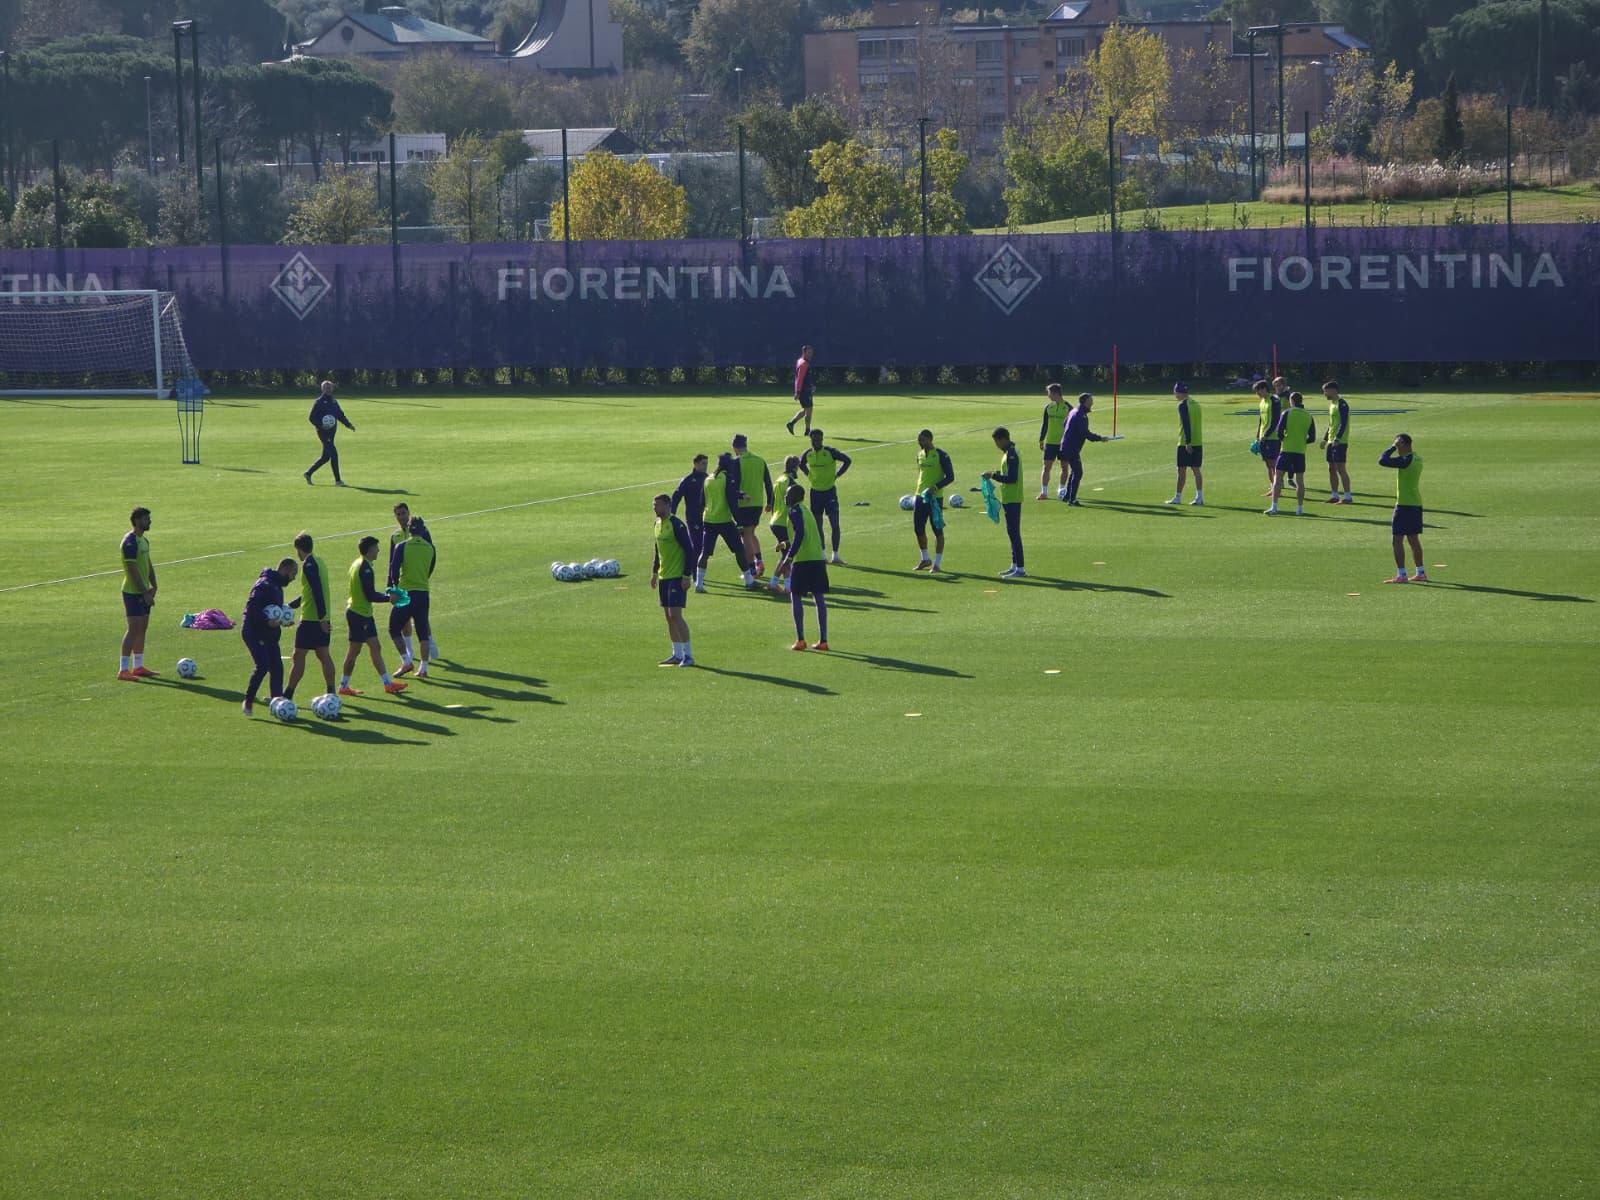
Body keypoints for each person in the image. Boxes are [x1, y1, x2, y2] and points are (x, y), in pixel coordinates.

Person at [339, 536, 406, 695]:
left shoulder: (358, 563)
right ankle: (343, 686)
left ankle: (387, 684)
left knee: (375, 647)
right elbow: (370, 595)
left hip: (363, 614)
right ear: (369, 549)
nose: (378, 550)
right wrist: (389, 598)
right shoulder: (365, 568)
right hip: (358, 614)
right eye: (376, 547)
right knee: (354, 651)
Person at [241, 557, 297, 717]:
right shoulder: (264, 584)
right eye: (293, 574)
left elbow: (273, 610)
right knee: (263, 665)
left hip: (269, 634)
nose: (293, 578)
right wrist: (267, 621)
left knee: (277, 668)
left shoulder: (277, 585)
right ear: (285, 570)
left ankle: (276, 704)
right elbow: (252, 609)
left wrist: (282, 620)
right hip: (254, 632)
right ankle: (248, 701)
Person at [777, 484, 830, 650]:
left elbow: (799, 533)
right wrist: (786, 543)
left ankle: (800, 639)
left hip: (803, 560)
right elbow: (804, 535)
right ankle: (823, 641)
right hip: (817, 559)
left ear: (795, 497)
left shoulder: (794, 511)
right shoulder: (806, 511)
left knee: (795, 596)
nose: (785, 497)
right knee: (819, 597)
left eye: (788, 495)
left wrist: (789, 557)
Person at [285, 531, 335, 701]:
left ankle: (287, 695)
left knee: (298, 655)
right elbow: (308, 592)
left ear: (299, 549)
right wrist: (290, 605)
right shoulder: (319, 561)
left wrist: (321, 618)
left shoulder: (308, 564)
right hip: (321, 617)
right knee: (323, 655)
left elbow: (316, 590)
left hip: (311, 619)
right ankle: (331, 693)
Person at [388, 503, 440, 661]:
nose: (401, 517)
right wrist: (391, 587)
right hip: (403, 584)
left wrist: (424, 575)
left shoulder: (422, 531)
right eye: (398, 514)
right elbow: (392, 563)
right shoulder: (395, 536)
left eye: (403, 513)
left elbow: (431, 555)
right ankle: (410, 651)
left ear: (408, 513)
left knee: (420, 618)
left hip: (417, 581)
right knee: (404, 621)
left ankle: (430, 641)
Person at [695, 452, 754, 591]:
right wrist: (739, 522)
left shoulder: (709, 478)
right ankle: (749, 581)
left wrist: (741, 495)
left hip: (708, 520)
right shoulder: (727, 478)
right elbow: (731, 500)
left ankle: (699, 584)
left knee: (705, 553)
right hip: (724, 521)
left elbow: (702, 501)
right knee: (739, 550)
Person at [650, 494, 697, 666]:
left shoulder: (676, 525)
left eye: (658, 505)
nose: (655, 508)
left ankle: (688, 655)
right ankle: (676, 654)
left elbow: (689, 550)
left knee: (675, 616)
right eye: (654, 505)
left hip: (677, 577)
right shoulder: (657, 524)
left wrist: (686, 576)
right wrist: (654, 573)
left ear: (668, 506)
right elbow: (658, 551)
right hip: (664, 576)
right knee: (668, 618)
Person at [1380, 434, 1427, 583]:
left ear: (1404, 444)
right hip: (1415, 503)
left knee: (1397, 540)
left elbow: (1382, 460)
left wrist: (1392, 447)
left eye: (1398, 445)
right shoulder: (1417, 458)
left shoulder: (1407, 460)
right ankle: (1420, 572)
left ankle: (1402, 575)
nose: (1397, 449)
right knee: (1413, 540)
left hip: (1404, 505)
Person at [800, 428, 852, 565]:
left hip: (829, 492)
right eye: (814, 440)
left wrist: (837, 474)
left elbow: (847, 460)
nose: (816, 442)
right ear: (810, 440)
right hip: (815, 493)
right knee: (818, 525)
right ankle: (822, 554)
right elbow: (801, 464)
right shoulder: (808, 454)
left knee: (835, 524)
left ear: (822, 439)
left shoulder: (830, 452)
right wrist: (808, 475)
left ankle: (835, 555)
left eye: (819, 439)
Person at [118, 506, 158, 680]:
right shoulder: (130, 542)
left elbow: (148, 564)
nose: (149, 521)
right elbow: (132, 569)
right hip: (132, 592)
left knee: (142, 628)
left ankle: (138, 666)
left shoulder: (144, 540)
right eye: (146, 519)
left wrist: (154, 585)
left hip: (144, 591)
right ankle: (123, 670)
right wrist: (144, 593)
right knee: (133, 629)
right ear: (137, 521)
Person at [982, 427, 1026, 578]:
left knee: (1014, 533)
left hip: (1013, 498)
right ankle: (1014, 565)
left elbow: (1012, 478)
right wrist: (994, 474)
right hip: (1008, 498)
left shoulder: (1012, 454)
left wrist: (993, 476)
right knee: (1011, 533)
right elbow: (1007, 474)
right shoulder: (1009, 453)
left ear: (1003, 439)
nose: (996, 445)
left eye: (997, 441)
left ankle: (1020, 568)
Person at [1266, 391, 1317, 516]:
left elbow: (1279, 431)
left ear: (1291, 401)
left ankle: (1274, 507)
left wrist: (1285, 439)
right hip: (1300, 451)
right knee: (1300, 481)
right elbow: (1312, 438)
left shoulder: (1287, 413)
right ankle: (1299, 509)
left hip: (1286, 450)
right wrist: (1302, 441)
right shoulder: (1308, 415)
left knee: (1278, 478)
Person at [911, 429, 955, 572]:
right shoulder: (919, 455)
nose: (920, 442)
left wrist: (935, 487)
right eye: (919, 439)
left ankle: (937, 563)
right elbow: (921, 474)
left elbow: (950, 477)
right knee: (918, 528)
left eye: (922, 439)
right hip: (920, 496)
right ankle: (925, 559)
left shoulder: (941, 455)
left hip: (935, 498)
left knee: (937, 529)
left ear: (930, 439)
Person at [731, 434, 773, 578]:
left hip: (743, 504)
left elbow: (734, 485)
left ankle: (751, 570)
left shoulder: (737, 462)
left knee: (746, 536)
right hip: (758, 504)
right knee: (751, 533)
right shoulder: (760, 460)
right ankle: (759, 561)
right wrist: (770, 502)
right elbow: (768, 482)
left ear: (734, 448)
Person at [1058, 392, 1110, 506]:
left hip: (1067, 445)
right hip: (1071, 447)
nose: (1092, 403)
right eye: (1090, 401)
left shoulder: (1074, 411)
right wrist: (1100, 438)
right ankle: (1072, 500)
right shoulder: (1080, 414)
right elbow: (1085, 433)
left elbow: (1064, 424)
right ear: (1085, 402)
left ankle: (1068, 496)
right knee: (1078, 472)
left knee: (1075, 471)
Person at [304, 379, 354, 486]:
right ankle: (338, 481)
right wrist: (321, 425)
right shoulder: (318, 402)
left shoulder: (334, 402)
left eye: (330, 387)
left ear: (332, 389)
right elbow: (311, 418)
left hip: (331, 433)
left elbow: (340, 415)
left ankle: (308, 473)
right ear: (322, 389)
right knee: (334, 454)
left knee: (325, 457)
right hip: (323, 433)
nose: (328, 389)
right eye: (326, 388)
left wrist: (348, 424)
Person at [1164, 382, 1204, 506]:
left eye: (1175, 392)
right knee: (1196, 469)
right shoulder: (1196, 404)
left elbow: (1186, 423)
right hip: (1198, 440)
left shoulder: (1182, 405)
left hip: (1185, 442)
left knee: (1181, 469)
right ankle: (1199, 497)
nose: (1174, 395)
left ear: (1179, 392)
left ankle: (1178, 497)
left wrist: (1188, 442)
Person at [768, 455, 804, 591]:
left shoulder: (779, 479)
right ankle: (787, 586)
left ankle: (775, 583)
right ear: (795, 467)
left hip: (775, 520)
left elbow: (772, 502)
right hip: (784, 522)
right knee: (788, 555)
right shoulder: (790, 482)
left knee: (785, 554)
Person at [670, 453, 710, 569]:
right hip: (693, 518)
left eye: (706, 464)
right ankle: (693, 571)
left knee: (705, 547)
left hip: (708, 517)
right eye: (703, 463)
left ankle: (697, 571)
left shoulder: (708, 478)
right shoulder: (687, 480)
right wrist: (672, 515)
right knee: (697, 546)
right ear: (696, 464)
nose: (705, 466)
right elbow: (676, 497)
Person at [1037, 383, 1072, 499]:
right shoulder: (1048, 407)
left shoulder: (1068, 407)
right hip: (1050, 442)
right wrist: (1041, 439)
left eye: (1049, 393)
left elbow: (1073, 425)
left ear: (1055, 393)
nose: (1048, 396)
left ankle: (1061, 491)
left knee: (1064, 467)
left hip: (1064, 443)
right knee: (1046, 467)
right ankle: (1044, 492)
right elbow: (1045, 424)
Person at [1322, 380, 1354, 504]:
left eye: (1326, 391)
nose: (1325, 394)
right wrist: (1325, 439)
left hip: (1339, 442)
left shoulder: (1342, 404)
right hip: (1331, 441)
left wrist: (1338, 438)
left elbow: (1343, 423)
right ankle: (1334, 495)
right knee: (1331, 468)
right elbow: (1331, 424)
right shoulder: (1332, 404)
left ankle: (1348, 497)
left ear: (1333, 390)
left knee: (1341, 469)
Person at [1253, 378, 1283, 496]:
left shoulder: (1274, 401)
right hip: (1263, 438)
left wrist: (1266, 434)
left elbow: (1276, 420)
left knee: (1274, 464)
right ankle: (1272, 488)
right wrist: (1258, 435)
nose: (1257, 393)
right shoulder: (1262, 402)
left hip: (1273, 438)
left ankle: (1278, 489)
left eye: (1258, 391)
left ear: (1264, 389)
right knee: (1268, 465)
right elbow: (1261, 420)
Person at [1272, 375, 1299, 492]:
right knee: (1278, 455)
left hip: (1288, 429)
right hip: (1277, 430)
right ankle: (1280, 480)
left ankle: (1290, 478)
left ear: (1284, 385)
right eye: (1276, 386)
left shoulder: (1288, 396)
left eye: (1279, 385)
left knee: (1289, 455)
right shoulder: (1274, 398)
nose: (1277, 387)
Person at [786, 344, 815, 436]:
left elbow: (804, 378)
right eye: (809, 352)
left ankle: (792, 424)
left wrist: (811, 385)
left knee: (806, 410)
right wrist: (797, 392)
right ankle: (807, 430)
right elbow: (800, 379)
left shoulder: (800, 361)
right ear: (804, 352)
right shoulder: (803, 364)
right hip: (805, 391)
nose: (810, 354)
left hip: (806, 390)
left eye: (811, 352)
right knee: (809, 410)